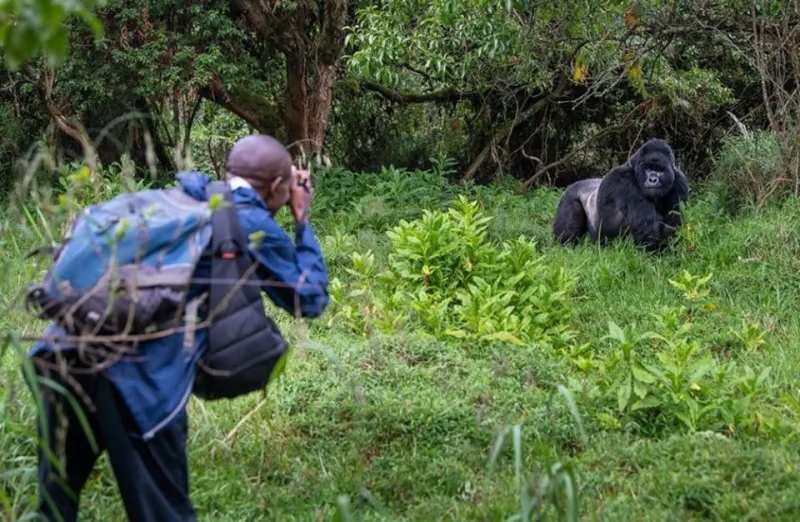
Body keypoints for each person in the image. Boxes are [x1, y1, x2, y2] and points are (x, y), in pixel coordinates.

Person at [26, 134, 329, 522]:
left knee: (54, 506)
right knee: (164, 513)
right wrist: (302, 219)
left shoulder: (179, 200)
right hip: (137, 384)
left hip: (60, 358)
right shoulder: (250, 221)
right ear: (275, 187)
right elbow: (310, 298)